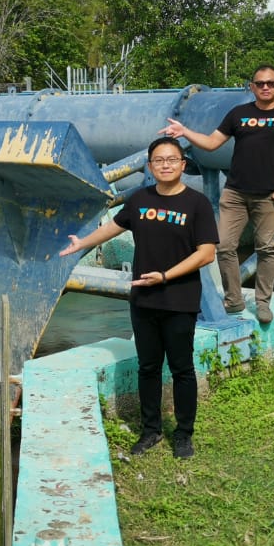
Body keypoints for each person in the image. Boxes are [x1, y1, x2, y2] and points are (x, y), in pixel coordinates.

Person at [60, 137, 218, 459]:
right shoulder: (139, 199)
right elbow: (114, 227)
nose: (165, 165)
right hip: (143, 300)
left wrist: (166, 276)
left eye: (172, 159)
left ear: (183, 165)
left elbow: (207, 253)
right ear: (149, 165)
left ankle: (184, 434)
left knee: (182, 368)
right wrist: (82, 244)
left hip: (179, 299)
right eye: (158, 160)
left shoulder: (196, 204)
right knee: (148, 367)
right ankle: (151, 431)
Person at [160, 64, 274, 323]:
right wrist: (185, 132)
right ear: (252, 87)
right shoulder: (238, 113)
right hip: (234, 193)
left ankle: (263, 302)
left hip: (267, 195)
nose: (265, 87)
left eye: (270, 83)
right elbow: (212, 144)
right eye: (260, 83)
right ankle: (234, 299)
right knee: (224, 247)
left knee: (266, 248)